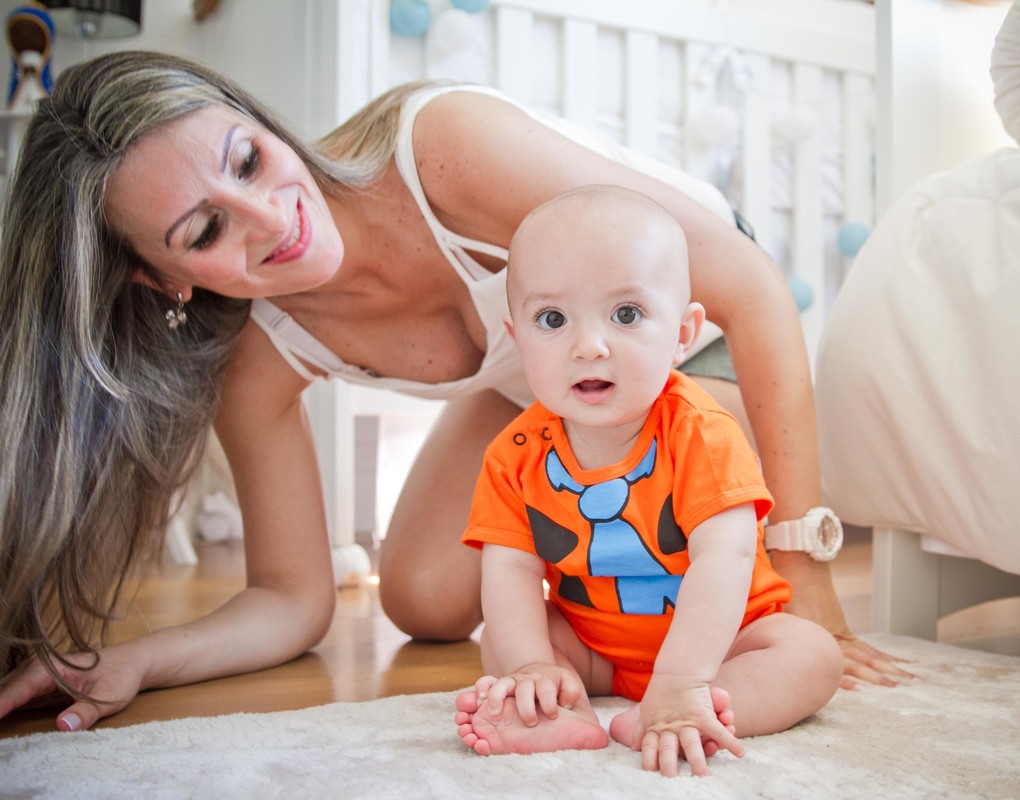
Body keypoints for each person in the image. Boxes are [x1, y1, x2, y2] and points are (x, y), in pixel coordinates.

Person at [0, 50, 907, 734]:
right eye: (206, 229)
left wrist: (805, 569)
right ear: (162, 282)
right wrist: (139, 661)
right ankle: (601, 642)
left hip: (686, 342)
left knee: (699, 524)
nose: (274, 219)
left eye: (246, 161)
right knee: (424, 599)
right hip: (547, 384)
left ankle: (667, 651)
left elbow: (749, 290)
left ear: (254, 118)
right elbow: (290, 598)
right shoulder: (260, 356)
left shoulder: (443, 150)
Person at [453, 186, 844, 776]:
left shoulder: (702, 433)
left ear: (684, 334)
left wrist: (684, 679)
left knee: (811, 654)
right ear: (517, 337)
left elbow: (726, 558)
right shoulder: (513, 454)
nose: (589, 347)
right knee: (506, 643)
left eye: (627, 315)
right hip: (597, 651)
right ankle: (567, 711)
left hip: (725, 646)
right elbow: (509, 570)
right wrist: (535, 666)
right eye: (552, 319)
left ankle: (690, 709)